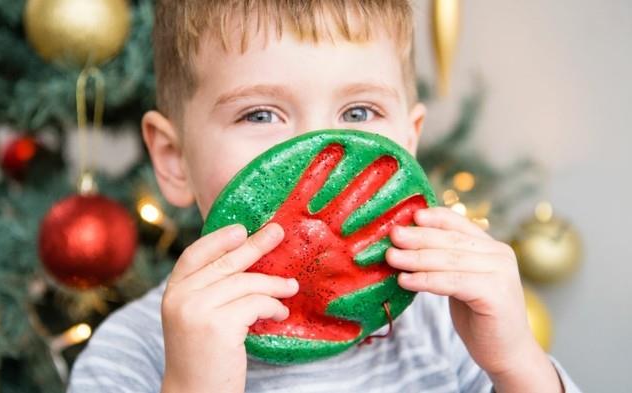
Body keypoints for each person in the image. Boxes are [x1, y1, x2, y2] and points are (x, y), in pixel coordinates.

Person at [68, 1, 580, 392]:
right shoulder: (133, 351)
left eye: (359, 113)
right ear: (174, 158)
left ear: (407, 143)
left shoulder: (446, 325)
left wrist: (517, 364)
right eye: (260, 115)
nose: (315, 153)